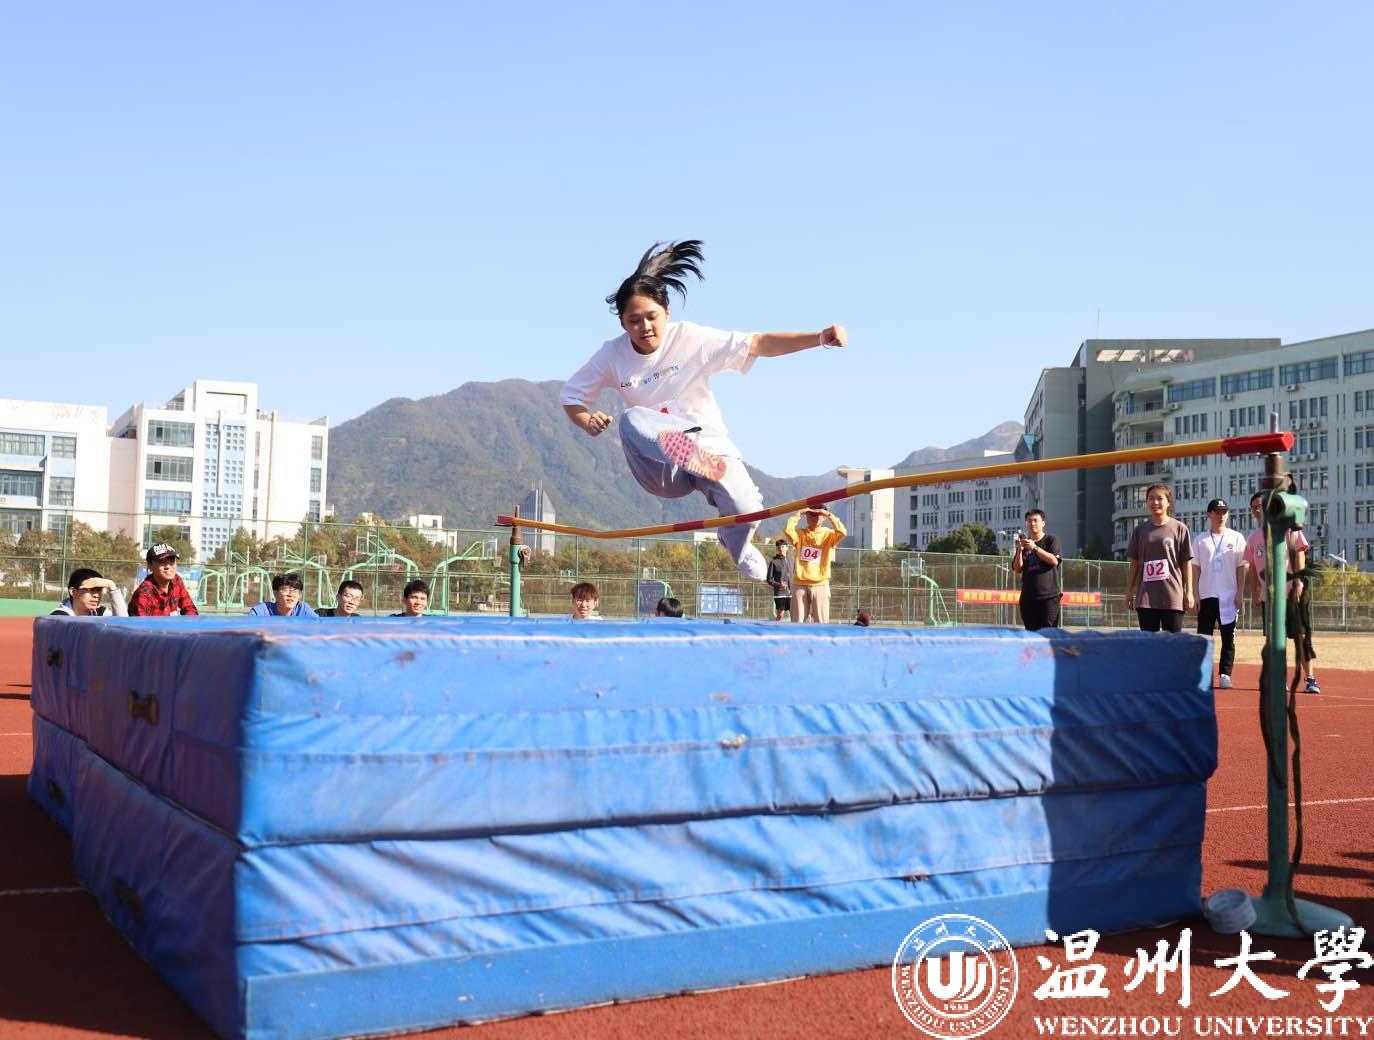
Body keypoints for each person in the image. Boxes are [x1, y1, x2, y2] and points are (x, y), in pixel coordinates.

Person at [560, 240, 847, 583]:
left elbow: (758, 343)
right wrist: (586, 420)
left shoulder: (691, 338)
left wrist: (818, 338)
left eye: (651, 317)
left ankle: (739, 547)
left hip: (711, 451)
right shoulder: (612, 355)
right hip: (661, 466)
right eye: (634, 321)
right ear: (622, 323)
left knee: (747, 509)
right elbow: (572, 397)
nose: (644, 327)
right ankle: (681, 450)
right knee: (631, 419)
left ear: (667, 312)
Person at [1243, 491, 1320, 693]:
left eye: (1261, 505)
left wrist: (1298, 581)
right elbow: (1253, 567)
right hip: (1269, 596)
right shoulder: (1253, 538)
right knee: (1275, 640)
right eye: (1255, 507)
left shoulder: (1288, 529)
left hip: (1292, 593)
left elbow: (1300, 553)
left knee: (1301, 636)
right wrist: (1255, 592)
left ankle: (1310, 679)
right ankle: (1279, 679)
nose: (1258, 510)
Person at [1190, 499, 1249, 689]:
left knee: (1228, 637)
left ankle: (1225, 674)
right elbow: (1195, 569)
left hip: (1229, 596)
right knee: (1204, 637)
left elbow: (1242, 567)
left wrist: (1240, 593)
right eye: (1217, 512)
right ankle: (1203, 675)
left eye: (1224, 512)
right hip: (1206, 595)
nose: (1221, 515)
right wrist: (1194, 593)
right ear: (1209, 514)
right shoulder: (1200, 540)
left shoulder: (1237, 537)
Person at [1124, 483, 1195, 633]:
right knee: (1150, 643)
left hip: (1173, 596)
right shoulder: (1140, 531)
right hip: (1146, 598)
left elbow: (1186, 563)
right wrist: (1129, 592)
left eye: (1160, 498)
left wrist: (1189, 592)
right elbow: (1134, 564)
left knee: (1173, 642)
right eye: (1151, 498)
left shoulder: (1180, 529)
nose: (1155, 502)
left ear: (1168, 502)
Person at [784, 507, 847, 623]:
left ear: (823, 517)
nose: (815, 517)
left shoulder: (829, 534)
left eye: (818, 514)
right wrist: (799, 513)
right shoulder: (800, 534)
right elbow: (788, 530)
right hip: (800, 584)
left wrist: (829, 515)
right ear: (806, 516)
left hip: (821, 584)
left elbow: (842, 532)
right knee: (797, 622)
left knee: (821, 622)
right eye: (811, 514)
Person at [1011, 509, 1062, 631]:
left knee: (1049, 633)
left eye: (1035, 520)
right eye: (1029, 521)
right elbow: (1017, 569)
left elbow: (1054, 561)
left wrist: (1034, 548)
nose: (1032, 523)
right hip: (1028, 598)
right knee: (1031, 634)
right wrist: (1019, 550)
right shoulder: (1025, 544)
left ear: (1043, 523)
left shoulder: (1051, 540)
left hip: (1049, 597)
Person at [127, 543, 200, 616]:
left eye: (172, 560)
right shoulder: (143, 593)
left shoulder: (177, 581)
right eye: (161, 561)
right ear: (150, 565)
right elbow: (139, 622)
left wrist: (186, 621)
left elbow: (190, 609)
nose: (168, 566)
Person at [50, 568, 128, 617]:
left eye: (99, 590)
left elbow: (123, 623)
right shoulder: (59, 617)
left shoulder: (100, 612)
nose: (96, 595)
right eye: (91, 590)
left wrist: (111, 585)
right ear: (73, 592)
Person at [248, 573, 318, 617]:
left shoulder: (303, 610)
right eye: (285, 590)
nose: (290, 594)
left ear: (300, 595)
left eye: (295, 591)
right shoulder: (261, 612)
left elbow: (319, 627)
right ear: (275, 593)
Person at [766, 539, 792, 621]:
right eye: (779, 547)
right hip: (780, 593)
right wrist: (779, 584)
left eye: (783, 547)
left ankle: (793, 629)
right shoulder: (773, 562)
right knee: (780, 614)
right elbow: (769, 579)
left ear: (787, 548)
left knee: (794, 614)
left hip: (792, 592)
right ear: (777, 549)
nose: (781, 549)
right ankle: (776, 628)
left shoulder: (791, 560)